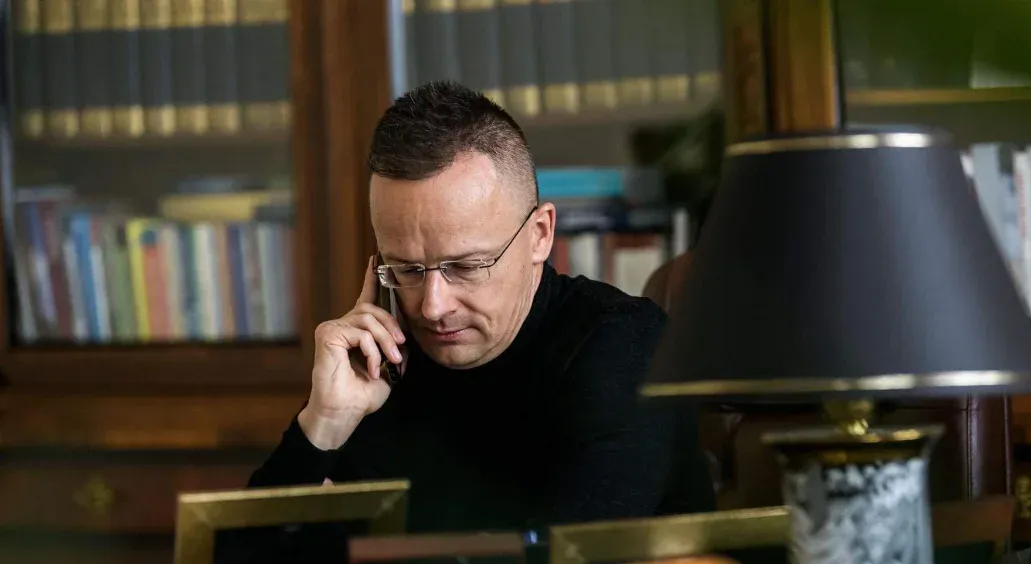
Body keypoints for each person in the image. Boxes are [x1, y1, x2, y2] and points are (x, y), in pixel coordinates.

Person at [250, 80, 714, 530]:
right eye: (407, 269)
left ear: (540, 235)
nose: (432, 307)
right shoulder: (377, 367)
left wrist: (360, 545)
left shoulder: (624, 348)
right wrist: (324, 423)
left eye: (467, 266)